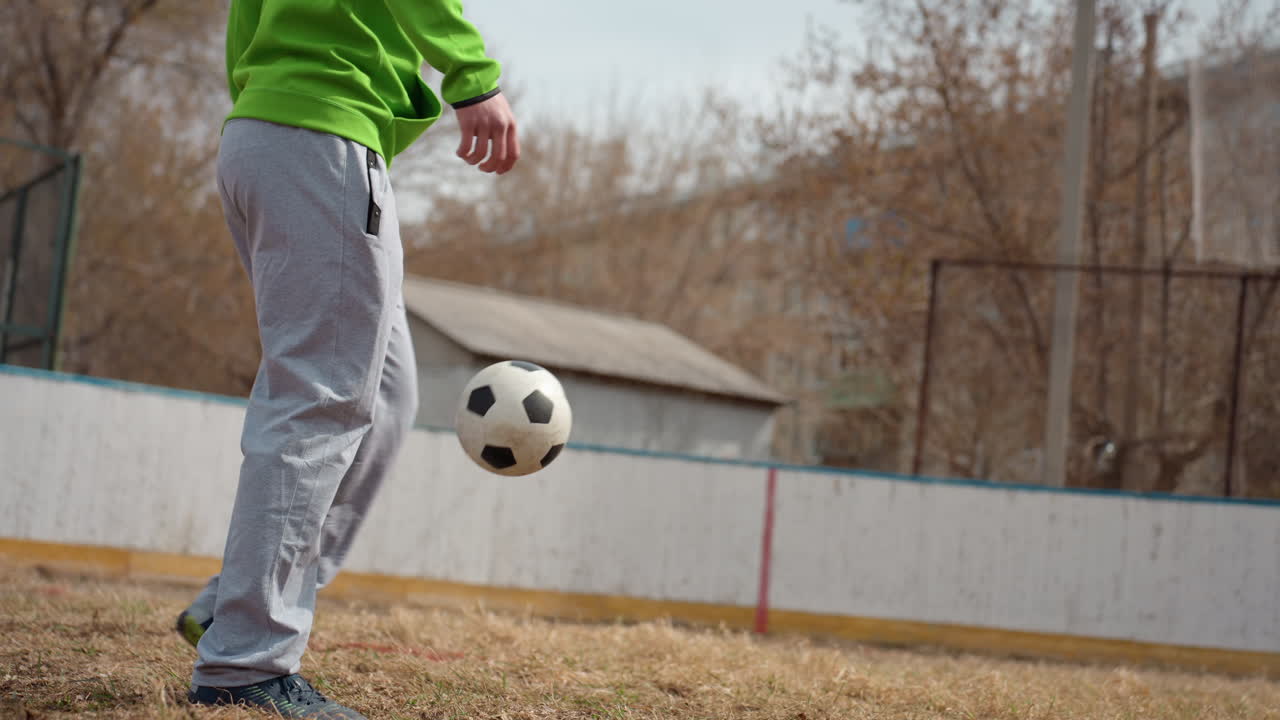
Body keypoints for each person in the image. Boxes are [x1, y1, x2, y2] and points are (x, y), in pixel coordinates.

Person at [173, 2, 518, 717]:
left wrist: (266, 109)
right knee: (320, 401)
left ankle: (235, 605)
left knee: (387, 401)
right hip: (319, 133)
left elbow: (247, 22)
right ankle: (245, 664)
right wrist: (473, 75)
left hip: (280, 134)